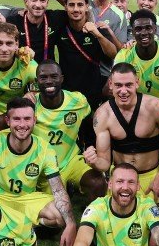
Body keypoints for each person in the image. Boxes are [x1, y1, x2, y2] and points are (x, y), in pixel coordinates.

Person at [0, 97, 78, 246]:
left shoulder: (44, 149)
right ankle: (13, 226)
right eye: (16, 119)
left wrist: (71, 223)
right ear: (7, 121)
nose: (22, 124)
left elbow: (58, 189)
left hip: (27, 198)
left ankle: (19, 226)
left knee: (60, 216)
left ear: (34, 120)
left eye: (27, 119)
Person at [90, 64, 159, 199]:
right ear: (110, 84)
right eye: (118, 85)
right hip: (120, 178)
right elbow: (104, 163)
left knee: (150, 212)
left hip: (149, 176)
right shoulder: (103, 114)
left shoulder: (156, 107)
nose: (123, 91)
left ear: (137, 83)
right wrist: (93, 161)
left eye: (128, 85)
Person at [29, 61, 104, 201]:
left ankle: (93, 214)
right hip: (46, 168)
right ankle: (65, 188)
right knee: (58, 208)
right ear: (36, 81)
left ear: (62, 78)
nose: (49, 81)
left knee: (97, 183)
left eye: (54, 76)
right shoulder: (30, 106)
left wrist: (95, 148)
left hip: (71, 160)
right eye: (43, 77)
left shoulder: (77, 101)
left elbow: (94, 123)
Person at [54, 0, 120, 111]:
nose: (76, 9)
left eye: (80, 5)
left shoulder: (98, 29)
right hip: (68, 91)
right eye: (71, 5)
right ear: (65, 7)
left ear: (86, 7)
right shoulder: (60, 28)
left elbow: (113, 54)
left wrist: (98, 35)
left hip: (93, 90)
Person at [115, 10, 159, 101]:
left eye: (148, 28)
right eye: (138, 29)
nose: (144, 33)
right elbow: (112, 88)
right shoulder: (124, 55)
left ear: (155, 29)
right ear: (132, 32)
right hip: (135, 106)